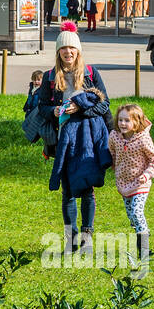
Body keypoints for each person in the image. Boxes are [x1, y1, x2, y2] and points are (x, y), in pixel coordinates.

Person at [38, 22, 112, 255]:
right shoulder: (51, 77)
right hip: (64, 140)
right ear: (58, 52)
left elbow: (104, 104)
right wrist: (55, 111)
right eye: (63, 49)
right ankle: (71, 239)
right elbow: (41, 107)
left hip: (89, 138)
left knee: (88, 186)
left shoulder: (91, 74)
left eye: (72, 49)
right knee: (68, 189)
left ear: (78, 51)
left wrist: (110, 134)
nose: (68, 53)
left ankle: (87, 236)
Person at [108, 103, 154, 266]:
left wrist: (146, 175)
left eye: (127, 121)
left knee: (137, 214)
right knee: (132, 217)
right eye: (121, 120)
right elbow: (112, 153)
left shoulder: (143, 139)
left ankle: (144, 250)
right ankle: (143, 231)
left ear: (137, 122)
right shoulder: (114, 137)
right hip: (123, 184)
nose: (123, 124)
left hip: (140, 184)